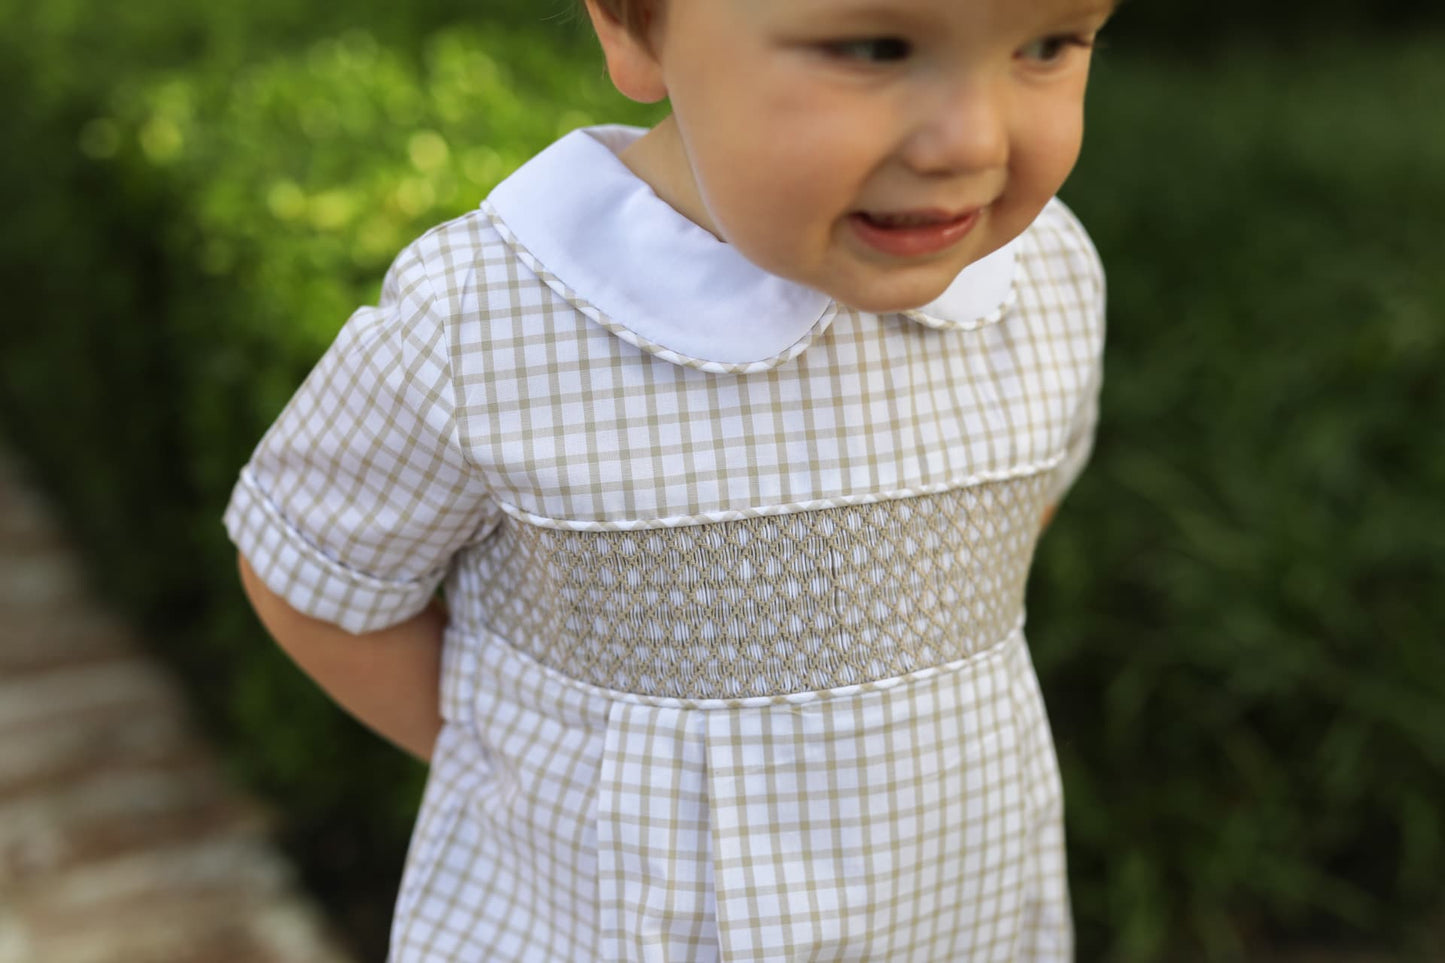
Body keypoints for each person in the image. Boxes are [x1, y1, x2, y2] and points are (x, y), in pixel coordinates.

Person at [227, 0, 1116, 957]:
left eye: (1046, 45)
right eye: (872, 48)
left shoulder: (1044, 280)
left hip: (957, 918)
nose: (972, 140)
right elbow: (313, 575)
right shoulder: (492, 321)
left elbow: (1019, 511)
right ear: (633, 26)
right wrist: (497, 757)